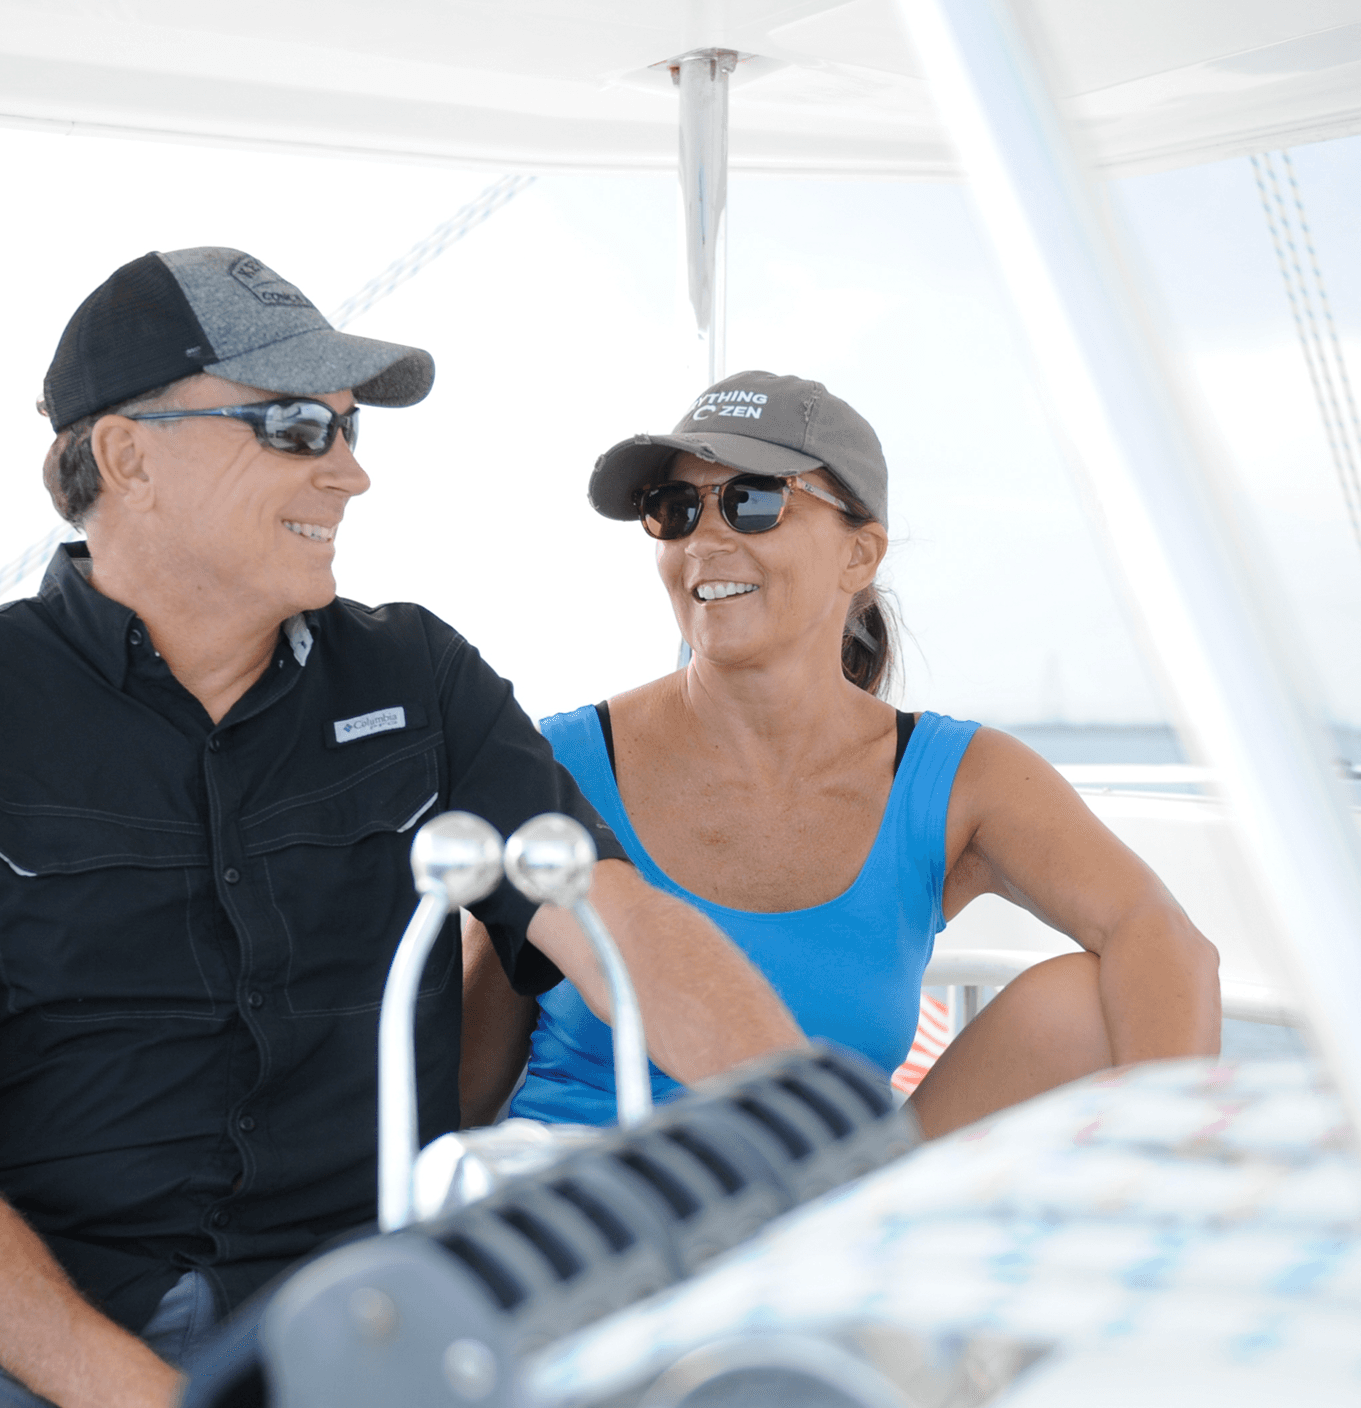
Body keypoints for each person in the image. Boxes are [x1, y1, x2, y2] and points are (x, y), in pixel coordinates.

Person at [0, 258, 804, 1408]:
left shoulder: (422, 681)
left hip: (345, 1312)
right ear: (127, 454)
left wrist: (823, 1153)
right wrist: (117, 1396)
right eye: (293, 424)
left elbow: (610, 923)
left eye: (351, 427)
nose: (350, 469)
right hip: (29, 1329)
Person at [460, 370, 1221, 1135]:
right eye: (675, 508)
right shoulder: (556, 764)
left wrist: (1170, 1164)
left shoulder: (960, 778)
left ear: (859, 555)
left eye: (751, 501)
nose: (705, 538)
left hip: (822, 1214)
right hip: (582, 1216)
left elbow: (1158, 935)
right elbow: (454, 1088)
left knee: (1085, 1001)